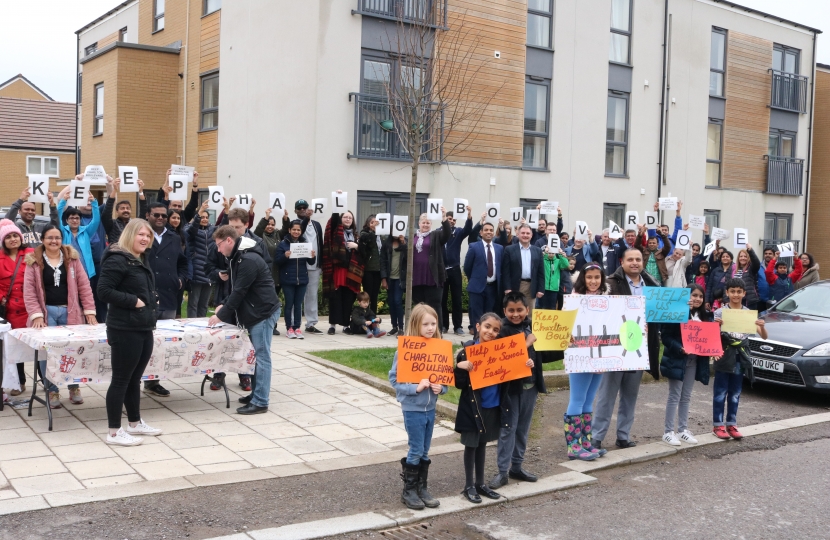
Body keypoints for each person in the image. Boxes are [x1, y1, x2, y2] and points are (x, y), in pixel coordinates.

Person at [98, 219, 163, 446]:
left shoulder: (139, 259)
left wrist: (150, 299)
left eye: (148, 235)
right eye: (141, 234)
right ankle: (114, 432)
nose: (145, 239)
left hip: (143, 326)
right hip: (124, 329)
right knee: (121, 381)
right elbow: (104, 291)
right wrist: (134, 301)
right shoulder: (118, 259)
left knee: (135, 379)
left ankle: (134, 423)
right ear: (130, 235)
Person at [593, 248, 660, 450]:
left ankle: (623, 435)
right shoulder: (611, 284)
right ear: (622, 262)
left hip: (639, 348)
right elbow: (599, 313)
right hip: (615, 347)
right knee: (607, 394)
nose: (634, 263)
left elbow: (659, 314)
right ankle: (597, 436)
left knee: (630, 395)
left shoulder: (653, 286)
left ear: (642, 262)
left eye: (638, 259)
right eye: (630, 259)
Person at [23, 224, 97, 408]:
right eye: (50, 238)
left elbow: (84, 286)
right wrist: (36, 316)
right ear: (43, 240)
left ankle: (74, 387)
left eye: (57, 237)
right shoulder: (33, 261)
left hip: (70, 312)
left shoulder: (72, 259)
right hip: (46, 313)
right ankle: (52, 390)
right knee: (46, 354)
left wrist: (89, 312)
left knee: (72, 351)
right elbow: (29, 292)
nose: (54, 241)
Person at [210, 225, 281, 415]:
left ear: (229, 241)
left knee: (262, 356)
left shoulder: (248, 259)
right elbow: (237, 288)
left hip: (263, 312)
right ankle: (256, 395)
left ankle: (260, 401)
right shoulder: (238, 257)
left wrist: (220, 315)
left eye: (218, 245)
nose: (218, 250)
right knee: (258, 356)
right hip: (257, 311)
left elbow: (240, 291)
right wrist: (223, 304)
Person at [388, 303, 447, 510]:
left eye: (433, 323)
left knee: (425, 450)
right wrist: (416, 387)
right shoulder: (405, 351)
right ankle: (409, 491)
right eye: (426, 324)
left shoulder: (439, 349)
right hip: (412, 409)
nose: (431, 328)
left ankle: (422, 488)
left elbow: (444, 378)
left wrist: (442, 388)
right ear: (416, 325)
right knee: (416, 449)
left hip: (430, 409)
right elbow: (394, 380)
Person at [454, 313, 516, 504]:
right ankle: (469, 485)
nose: (491, 332)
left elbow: (512, 373)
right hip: (473, 408)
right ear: (478, 326)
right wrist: (459, 367)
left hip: (492, 406)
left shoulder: (500, 351)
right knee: (471, 445)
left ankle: (480, 483)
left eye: (496, 330)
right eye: (488, 327)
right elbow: (459, 384)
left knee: (482, 444)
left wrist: (526, 363)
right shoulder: (466, 352)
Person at [489, 292, 542, 488]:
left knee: (523, 429)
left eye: (520, 310)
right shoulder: (502, 331)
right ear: (504, 311)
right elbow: (504, 358)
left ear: (527, 310)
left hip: (531, 386)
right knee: (508, 429)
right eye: (511, 310)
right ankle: (502, 471)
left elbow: (543, 353)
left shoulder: (532, 327)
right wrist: (526, 344)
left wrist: (563, 344)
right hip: (511, 390)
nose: (516, 314)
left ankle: (517, 466)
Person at [712, 278, 768, 440]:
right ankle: (717, 425)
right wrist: (717, 326)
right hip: (724, 356)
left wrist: (762, 326)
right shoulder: (719, 313)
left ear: (744, 293)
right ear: (727, 293)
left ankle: (732, 424)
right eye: (732, 291)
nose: (735, 294)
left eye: (739, 292)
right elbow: (712, 336)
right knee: (720, 393)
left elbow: (764, 336)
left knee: (735, 393)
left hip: (740, 358)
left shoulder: (748, 314)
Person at [563, 264, 609, 461]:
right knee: (577, 399)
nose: (593, 281)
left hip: (599, 354)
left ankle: (585, 442)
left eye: (597, 277)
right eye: (589, 277)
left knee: (589, 399)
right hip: (580, 354)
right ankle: (573, 445)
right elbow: (564, 326)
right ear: (583, 278)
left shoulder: (608, 300)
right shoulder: (573, 300)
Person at [143, 202, 188, 397]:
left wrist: (181, 278)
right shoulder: (142, 236)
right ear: (148, 216)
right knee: (146, 341)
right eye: (156, 215)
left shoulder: (174, 237)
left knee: (163, 342)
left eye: (163, 215)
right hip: (146, 296)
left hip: (169, 296)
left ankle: (154, 381)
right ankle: (142, 376)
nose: (160, 218)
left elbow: (184, 262)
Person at [660, 284, 711, 446]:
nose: (697, 299)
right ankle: (668, 432)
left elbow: (710, 338)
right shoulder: (676, 313)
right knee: (674, 395)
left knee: (686, 396)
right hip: (677, 359)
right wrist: (679, 348)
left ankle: (682, 430)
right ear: (686, 297)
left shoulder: (705, 316)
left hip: (694, 361)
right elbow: (666, 337)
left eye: (700, 296)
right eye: (694, 295)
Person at [0, 219, 34, 397]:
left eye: (15, 235)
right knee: (14, 349)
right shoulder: (0, 258)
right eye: (8, 237)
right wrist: (2, 298)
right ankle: (19, 382)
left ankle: (46, 382)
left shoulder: (31, 253)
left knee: (39, 347)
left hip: (31, 308)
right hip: (11, 310)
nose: (13, 239)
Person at [401, 210, 452, 324]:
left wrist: (444, 219)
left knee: (434, 306)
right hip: (416, 277)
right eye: (423, 222)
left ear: (431, 225)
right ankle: (420, 330)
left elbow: (447, 234)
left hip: (432, 276)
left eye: (428, 223)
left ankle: (437, 331)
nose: (425, 225)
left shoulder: (436, 235)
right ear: (419, 223)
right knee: (420, 307)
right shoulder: (412, 237)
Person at [283, 199, 324, 334]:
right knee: (296, 297)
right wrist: (306, 218)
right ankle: (294, 324)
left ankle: (311, 323)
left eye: (304, 207)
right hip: (298, 264)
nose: (302, 209)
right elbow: (302, 227)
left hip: (313, 264)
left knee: (312, 295)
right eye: (299, 208)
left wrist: (321, 262)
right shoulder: (296, 225)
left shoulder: (317, 225)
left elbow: (320, 243)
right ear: (295, 210)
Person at [323, 208, 362, 335]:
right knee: (336, 298)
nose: (348, 219)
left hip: (351, 271)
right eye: (345, 217)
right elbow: (333, 220)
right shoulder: (336, 231)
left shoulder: (356, 235)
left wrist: (356, 246)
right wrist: (337, 205)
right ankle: (332, 325)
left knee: (348, 298)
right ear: (341, 218)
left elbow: (364, 252)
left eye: (350, 217)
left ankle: (345, 325)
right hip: (338, 270)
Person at [275, 219, 317, 339]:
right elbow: (277, 261)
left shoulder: (305, 243)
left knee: (298, 305)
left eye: (298, 230)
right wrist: (285, 256)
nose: (296, 232)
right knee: (289, 304)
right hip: (288, 279)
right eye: (294, 229)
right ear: (289, 230)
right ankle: (289, 328)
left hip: (302, 279)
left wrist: (312, 256)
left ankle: (297, 327)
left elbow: (310, 261)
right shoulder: (283, 244)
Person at [463, 222, 502, 330]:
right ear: (481, 233)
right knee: (477, 316)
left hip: (493, 288)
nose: (488, 232)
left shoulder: (499, 248)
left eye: (491, 230)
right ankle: (477, 340)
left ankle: (488, 342)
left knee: (490, 316)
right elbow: (467, 267)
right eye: (486, 230)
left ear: (493, 233)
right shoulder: (474, 246)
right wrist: (475, 279)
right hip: (477, 287)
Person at [500, 224, 545, 316]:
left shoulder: (537, 251)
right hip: (515, 286)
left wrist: (541, 289)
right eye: (523, 233)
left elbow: (541, 272)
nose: (525, 235)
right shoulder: (509, 250)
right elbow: (505, 271)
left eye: (528, 233)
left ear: (531, 235)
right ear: (518, 234)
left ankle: (528, 330)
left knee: (529, 313)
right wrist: (507, 288)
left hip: (531, 286)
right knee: (514, 311)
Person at [56, 190, 101, 281]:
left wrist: (94, 202)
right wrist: (63, 201)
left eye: (77, 218)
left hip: (86, 272)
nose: (74, 220)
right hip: (68, 271)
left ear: (80, 220)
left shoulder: (87, 231)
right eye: (71, 218)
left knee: (86, 295)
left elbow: (96, 220)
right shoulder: (62, 231)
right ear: (67, 220)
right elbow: (56, 217)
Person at [254, 207, 285, 334]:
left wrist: (286, 218)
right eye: (268, 224)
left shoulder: (278, 235)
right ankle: (263, 324)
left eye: (272, 224)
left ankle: (273, 325)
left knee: (274, 301)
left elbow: (288, 228)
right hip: (264, 274)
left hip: (277, 274)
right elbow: (258, 230)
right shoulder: (260, 236)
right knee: (264, 301)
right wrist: (266, 217)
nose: (270, 226)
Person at [442, 206, 472, 335]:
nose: (452, 221)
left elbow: (468, 229)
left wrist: (469, 215)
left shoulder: (458, 232)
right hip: (441, 270)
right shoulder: (439, 232)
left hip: (454, 270)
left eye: (454, 219)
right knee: (442, 299)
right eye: (449, 219)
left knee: (457, 299)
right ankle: (443, 326)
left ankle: (458, 326)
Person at [186, 202, 215, 318]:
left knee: (204, 305)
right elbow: (192, 229)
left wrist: (227, 210)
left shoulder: (212, 229)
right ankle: (192, 327)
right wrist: (200, 210)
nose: (205, 219)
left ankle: (202, 326)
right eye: (202, 217)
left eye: (206, 217)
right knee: (193, 303)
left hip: (209, 273)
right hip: (196, 272)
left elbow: (224, 224)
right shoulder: (190, 229)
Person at [102, 176, 147, 244]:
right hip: (117, 253)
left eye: (128, 208)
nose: (125, 210)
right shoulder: (112, 224)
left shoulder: (135, 224)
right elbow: (107, 211)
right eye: (122, 208)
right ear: (117, 211)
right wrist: (115, 190)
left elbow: (144, 211)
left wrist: (140, 192)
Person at [358, 215, 386, 315]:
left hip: (378, 270)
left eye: (377, 222)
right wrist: (373, 231)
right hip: (368, 269)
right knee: (367, 295)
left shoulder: (381, 236)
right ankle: (366, 317)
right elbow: (366, 240)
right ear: (368, 224)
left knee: (374, 296)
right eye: (372, 222)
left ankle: (373, 318)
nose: (375, 224)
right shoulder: (365, 233)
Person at [167, 208, 191, 317]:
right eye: (173, 218)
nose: (176, 220)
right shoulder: (165, 234)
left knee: (178, 303)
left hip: (180, 272)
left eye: (178, 218)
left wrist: (184, 275)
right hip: (169, 270)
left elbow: (186, 256)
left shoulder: (183, 234)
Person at [381, 233, 406, 335]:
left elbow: (410, 255)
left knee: (397, 302)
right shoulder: (386, 244)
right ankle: (394, 326)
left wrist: (403, 242)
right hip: (390, 278)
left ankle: (401, 327)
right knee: (391, 303)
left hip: (400, 279)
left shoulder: (405, 242)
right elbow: (382, 261)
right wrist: (383, 278)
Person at [732, 244, 761, 309]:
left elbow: (756, 263)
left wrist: (750, 250)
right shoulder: (732, 268)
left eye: (745, 256)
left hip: (749, 301)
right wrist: (726, 299)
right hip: (734, 300)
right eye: (741, 256)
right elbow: (726, 284)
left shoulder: (751, 268)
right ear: (738, 258)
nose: (743, 258)